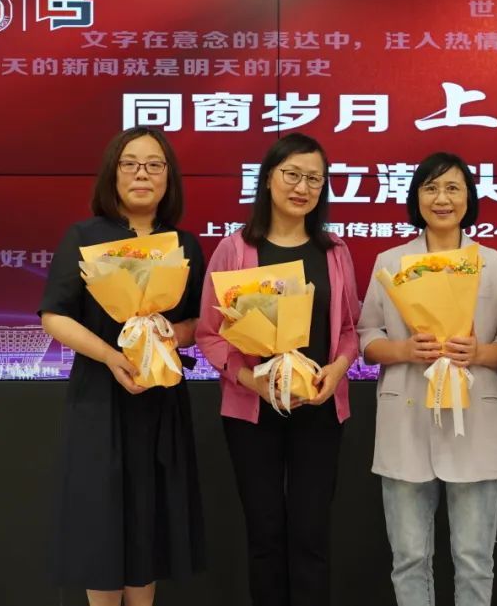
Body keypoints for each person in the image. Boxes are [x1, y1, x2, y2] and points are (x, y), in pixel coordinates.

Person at [40, 127, 206, 606]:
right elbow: (54, 315)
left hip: (160, 400)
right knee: (102, 521)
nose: (142, 174)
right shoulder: (85, 236)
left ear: (168, 177)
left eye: (154, 165)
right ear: (113, 174)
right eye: (130, 164)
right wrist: (113, 357)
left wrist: (170, 333)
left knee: (148, 519)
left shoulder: (183, 244)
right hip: (100, 397)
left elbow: (199, 322)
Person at [195, 133, 360, 606]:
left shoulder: (334, 251)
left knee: (311, 535)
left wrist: (337, 370)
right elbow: (209, 333)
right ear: (268, 178)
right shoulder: (235, 248)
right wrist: (252, 381)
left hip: (319, 409)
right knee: (265, 535)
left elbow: (350, 329)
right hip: (252, 413)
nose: (301, 187)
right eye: (292, 174)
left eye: (314, 179)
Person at [357, 151, 497, 606]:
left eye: (453, 188)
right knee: (409, 558)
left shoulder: (493, 264)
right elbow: (367, 335)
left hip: (474, 421)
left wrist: (480, 352)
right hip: (406, 418)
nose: (442, 199)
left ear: (469, 198)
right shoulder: (391, 260)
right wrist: (402, 350)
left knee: (474, 558)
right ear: (416, 198)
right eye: (430, 188)